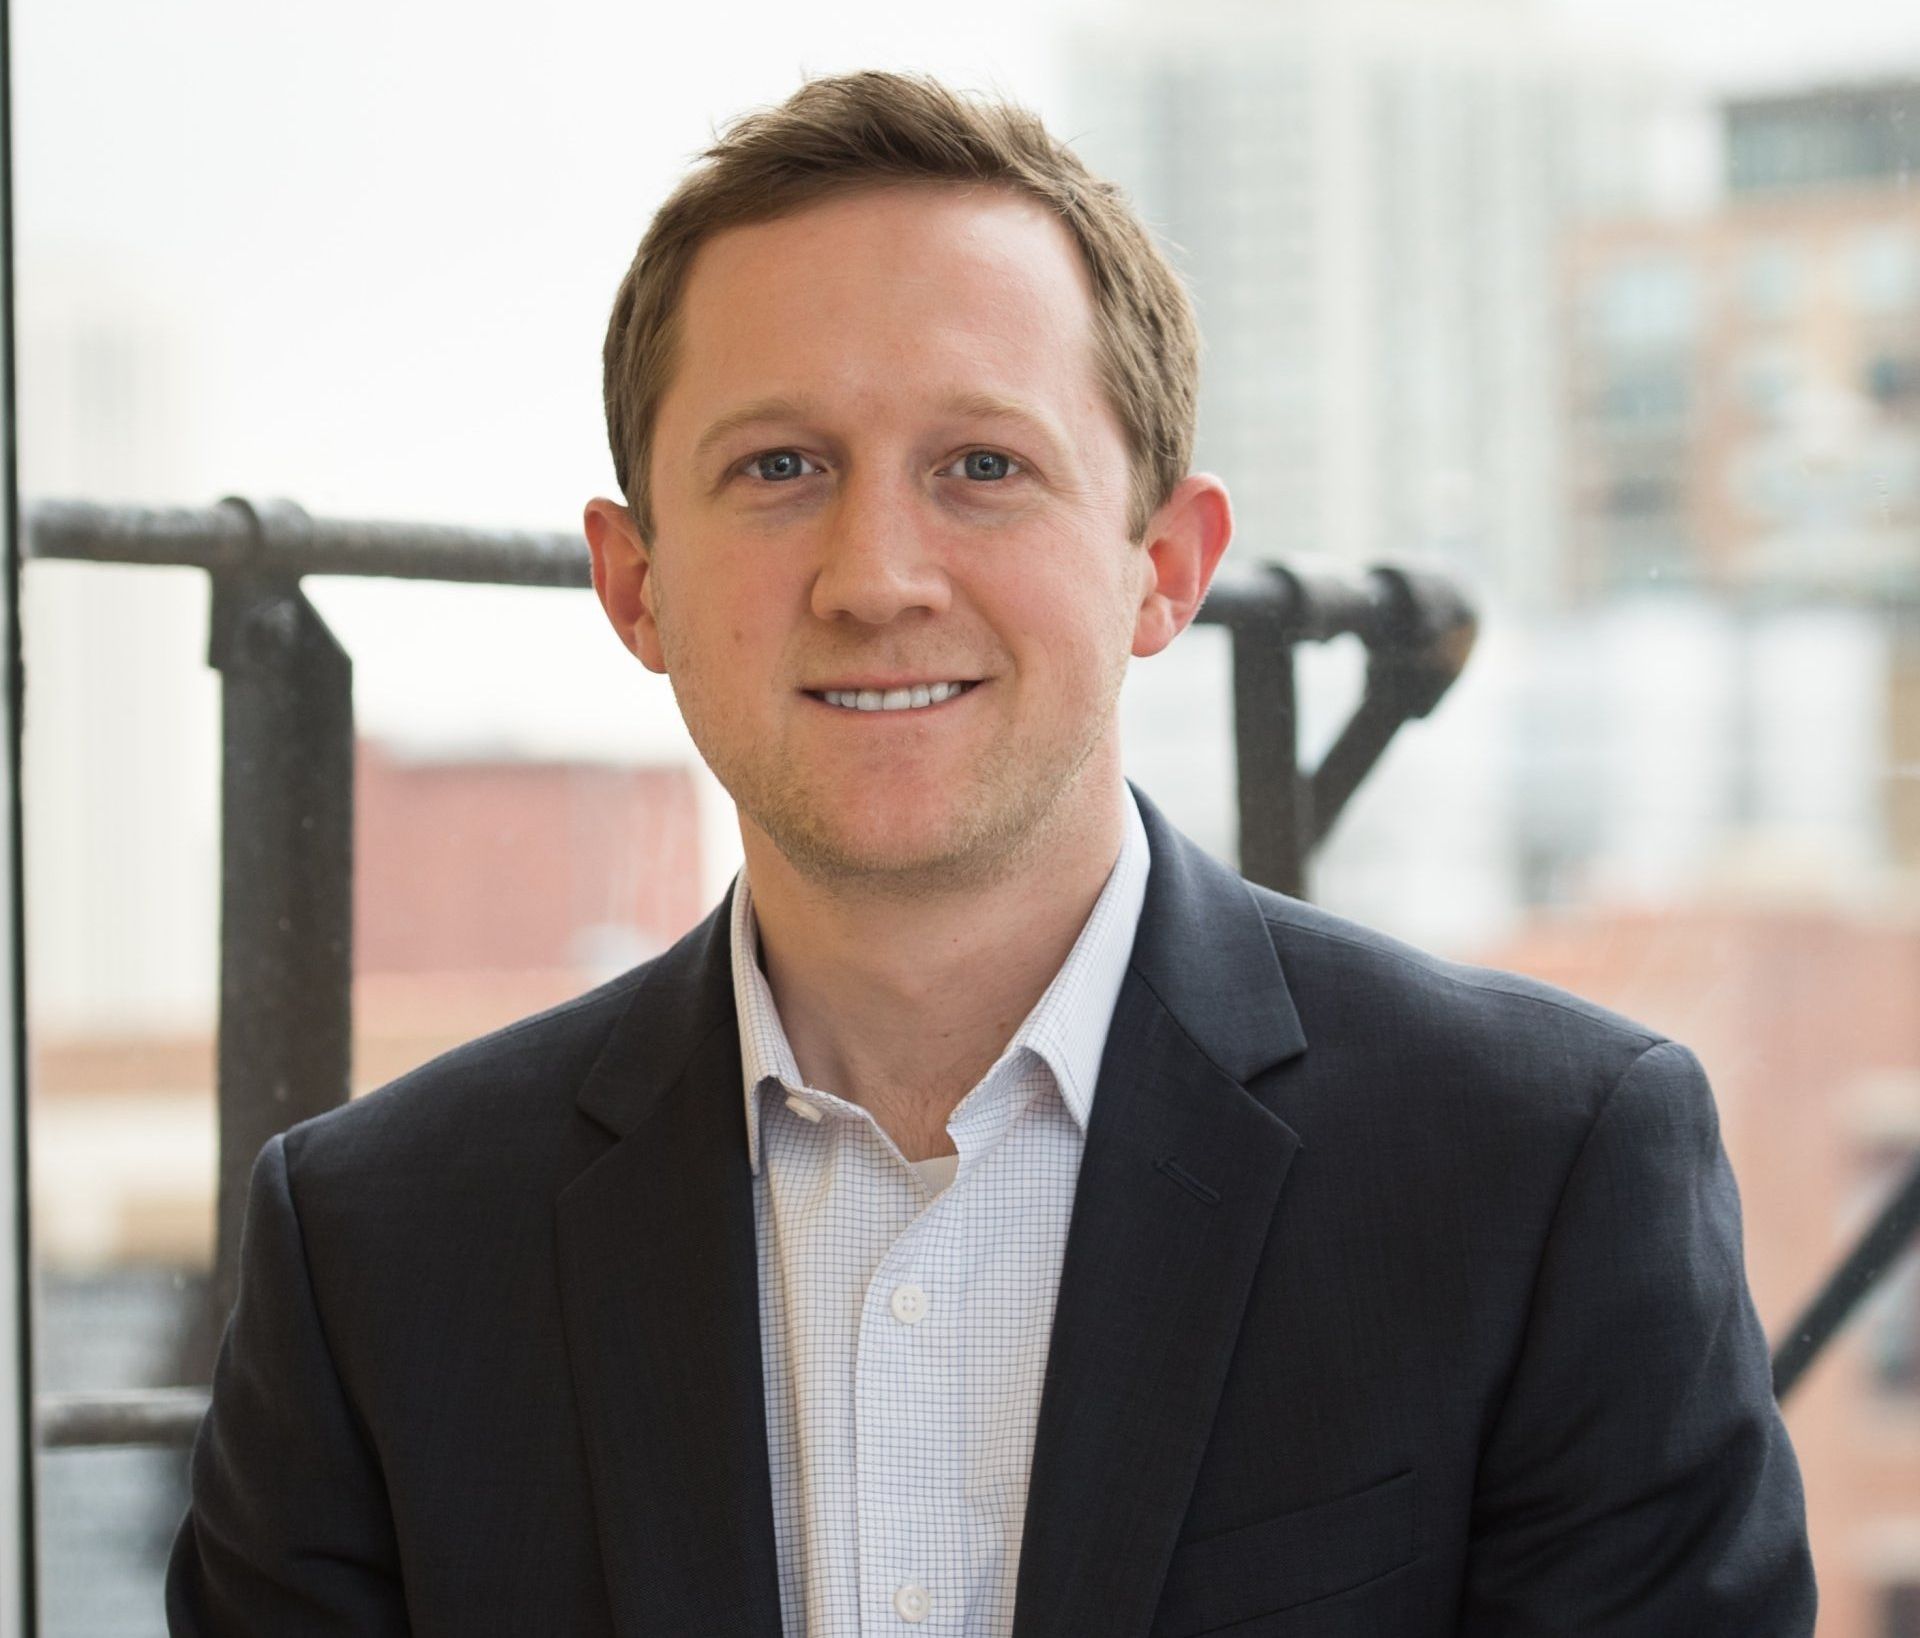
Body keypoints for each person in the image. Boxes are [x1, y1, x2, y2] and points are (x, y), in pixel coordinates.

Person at [166, 70, 1816, 1637]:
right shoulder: (376, 1254)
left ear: (1164, 564)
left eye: (983, 467)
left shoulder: (1539, 1177)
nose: (876, 572)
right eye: (780, 467)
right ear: (635, 585)